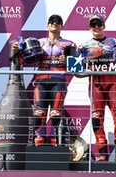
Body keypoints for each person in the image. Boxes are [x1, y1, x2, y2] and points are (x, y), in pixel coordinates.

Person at [12, 14, 77, 146]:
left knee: (55, 114)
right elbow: (20, 60)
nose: (54, 23)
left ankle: (55, 143)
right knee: (38, 114)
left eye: (58, 22)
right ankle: (39, 142)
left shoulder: (69, 44)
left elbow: (77, 67)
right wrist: (16, 50)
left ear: (62, 26)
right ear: (47, 25)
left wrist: (68, 61)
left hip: (58, 81)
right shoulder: (38, 42)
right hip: (41, 82)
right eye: (51, 21)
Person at [78, 14, 116, 162]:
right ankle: (102, 153)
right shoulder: (84, 46)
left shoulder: (114, 42)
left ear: (104, 26)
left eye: (98, 24)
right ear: (90, 28)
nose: (96, 27)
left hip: (112, 82)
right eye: (93, 25)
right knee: (96, 118)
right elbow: (75, 67)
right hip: (95, 83)